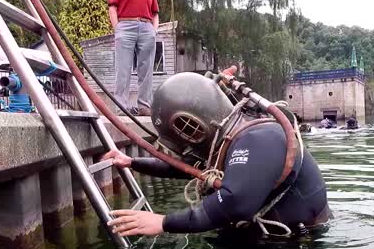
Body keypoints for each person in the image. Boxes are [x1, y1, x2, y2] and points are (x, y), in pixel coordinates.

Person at [104, 72, 332, 238]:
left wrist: (162, 222)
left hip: (298, 244)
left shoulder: (256, 140)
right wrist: (132, 162)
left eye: (182, 142)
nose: (185, 149)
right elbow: (184, 167)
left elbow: (234, 203)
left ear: (192, 127)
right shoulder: (231, 139)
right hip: (275, 235)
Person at [108, 0, 159, 117]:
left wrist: (154, 31)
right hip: (125, 25)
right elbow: (112, 7)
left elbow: (155, 13)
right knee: (123, 68)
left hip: (146, 27)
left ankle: (144, 106)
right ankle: (121, 107)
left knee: (147, 69)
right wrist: (117, 28)